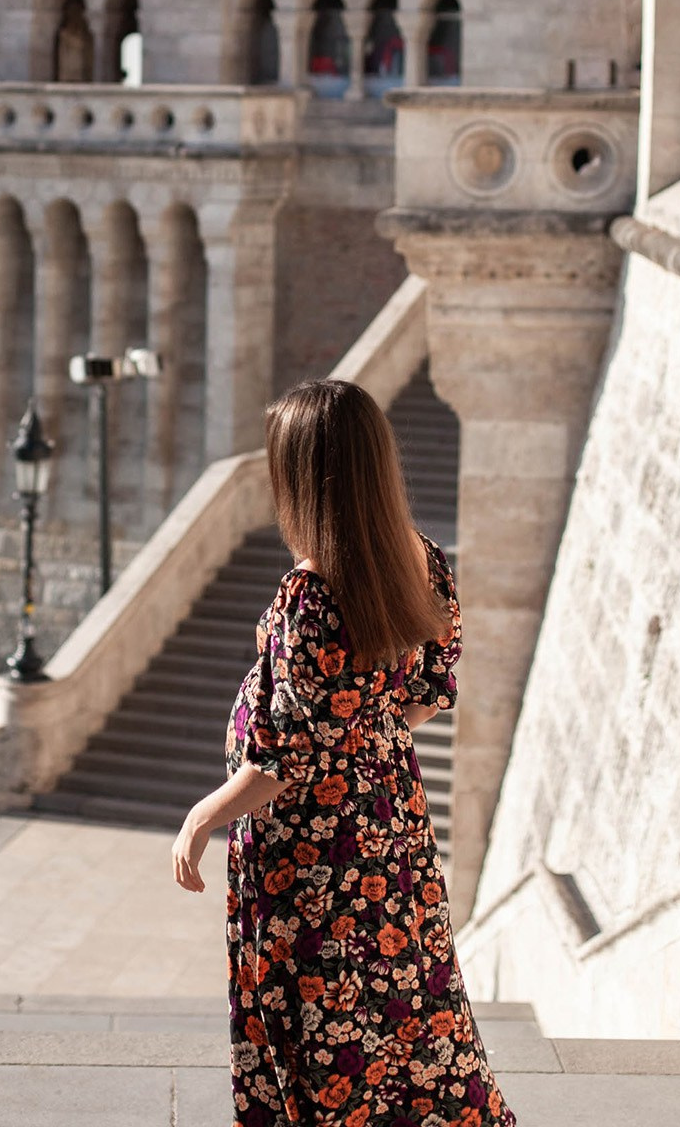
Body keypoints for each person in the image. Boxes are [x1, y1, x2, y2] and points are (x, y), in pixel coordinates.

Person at [171, 377, 515, 1126]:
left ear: (300, 475)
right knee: (405, 1012)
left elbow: (285, 760)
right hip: (390, 835)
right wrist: (366, 735)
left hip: (307, 861)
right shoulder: (421, 559)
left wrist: (202, 816)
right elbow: (432, 686)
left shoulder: (311, 596)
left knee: (314, 1027)